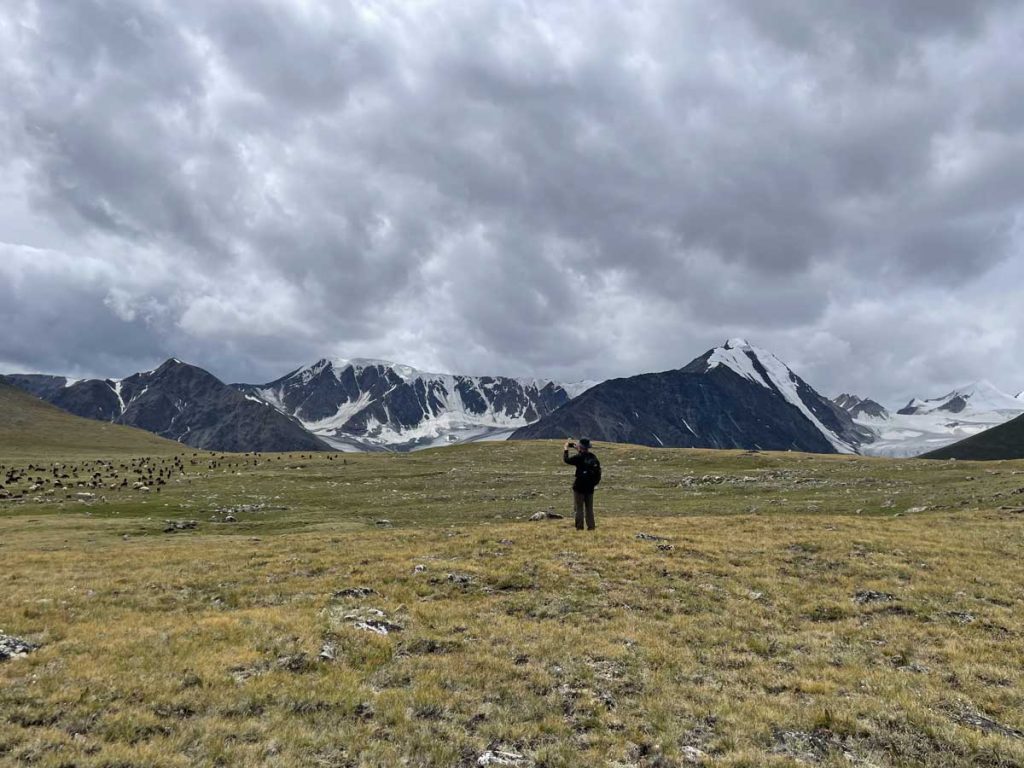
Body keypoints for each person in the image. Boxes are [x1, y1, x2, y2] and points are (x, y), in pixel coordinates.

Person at [563, 438, 601, 531]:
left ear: (580, 447)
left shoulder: (578, 457)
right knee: (589, 508)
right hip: (590, 487)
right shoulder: (593, 457)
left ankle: (579, 527)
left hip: (579, 486)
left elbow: (567, 460)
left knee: (579, 508)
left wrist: (566, 449)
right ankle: (591, 527)